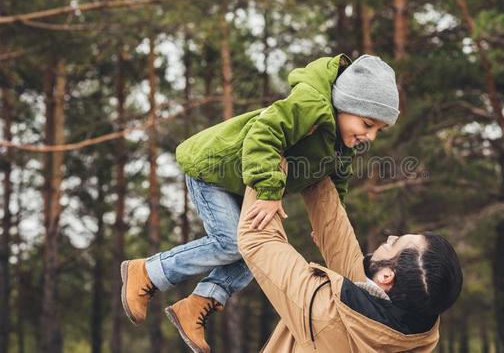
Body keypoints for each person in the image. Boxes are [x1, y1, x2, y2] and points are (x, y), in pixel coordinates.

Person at [120, 53, 401, 352]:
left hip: (242, 183)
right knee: (231, 242)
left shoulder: (342, 141)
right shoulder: (310, 106)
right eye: (367, 123)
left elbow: (337, 180)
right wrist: (269, 193)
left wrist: (327, 226)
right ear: (346, 103)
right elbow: (264, 134)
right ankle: (148, 272)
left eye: (377, 131)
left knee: (260, 249)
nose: (369, 136)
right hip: (216, 169)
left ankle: (200, 302)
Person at [238, 163, 463, 352]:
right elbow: (340, 245)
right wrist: (315, 159)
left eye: (395, 243)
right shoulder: (405, 328)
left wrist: (272, 161)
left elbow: (257, 239)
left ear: (386, 276)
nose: (391, 238)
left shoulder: (326, 316)